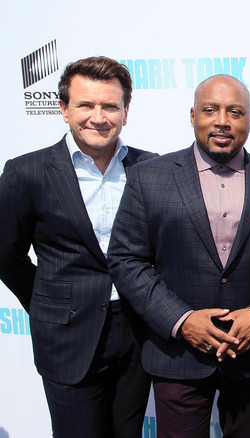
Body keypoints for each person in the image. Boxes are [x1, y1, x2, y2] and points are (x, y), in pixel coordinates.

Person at [107, 74, 250, 437]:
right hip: (177, 357)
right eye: (210, 110)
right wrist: (182, 320)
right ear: (192, 115)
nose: (222, 121)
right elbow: (126, 260)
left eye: (235, 112)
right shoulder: (148, 178)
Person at [0, 56, 154, 438]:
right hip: (66, 338)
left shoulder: (150, 169)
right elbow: (6, 254)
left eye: (110, 106)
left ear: (126, 111)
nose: (98, 117)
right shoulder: (27, 171)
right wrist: (46, 301)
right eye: (86, 105)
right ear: (64, 109)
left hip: (137, 334)